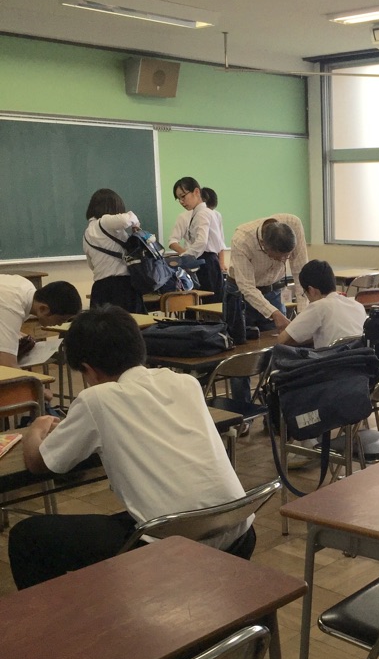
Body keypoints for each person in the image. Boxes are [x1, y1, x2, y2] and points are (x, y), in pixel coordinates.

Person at [8, 306, 255, 589]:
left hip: (174, 548)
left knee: (27, 537)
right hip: (239, 533)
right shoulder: (185, 383)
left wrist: (36, 427)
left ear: (88, 369)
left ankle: (64, 615)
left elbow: (38, 462)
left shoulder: (97, 399)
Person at [228, 213, 309, 332]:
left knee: (278, 338)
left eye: (287, 256)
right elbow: (247, 287)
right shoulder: (242, 240)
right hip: (240, 294)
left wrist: (303, 312)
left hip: (273, 292)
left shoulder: (294, 224)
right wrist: (274, 313)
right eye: (277, 257)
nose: (283, 260)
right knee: (241, 339)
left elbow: (301, 273)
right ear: (263, 244)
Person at [82, 187, 147, 314]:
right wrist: (136, 224)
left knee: (103, 324)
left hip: (100, 287)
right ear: (113, 207)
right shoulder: (105, 221)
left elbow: (91, 265)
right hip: (122, 286)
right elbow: (128, 218)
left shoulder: (86, 233)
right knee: (131, 323)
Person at [278, 260, 366, 347]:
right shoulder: (357, 305)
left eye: (305, 293)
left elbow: (281, 340)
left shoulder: (318, 306)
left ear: (311, 290)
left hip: (331, 356)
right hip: (360, 355)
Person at [0, 275, 81, 368]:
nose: (59, 324)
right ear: (43, 309)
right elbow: (7, 364)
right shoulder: (12, 306)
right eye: (61, 320)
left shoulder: (25, 287)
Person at [168, 176, 224, 301]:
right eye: (179, 199)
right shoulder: (200, 213)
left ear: (196, 192)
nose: (182, 201)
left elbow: (201, 242)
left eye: (183, 196)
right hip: (207, 261)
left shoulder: (202, 213)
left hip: (205, 262)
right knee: (209, 301)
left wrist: (185, 257)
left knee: (207, 302)